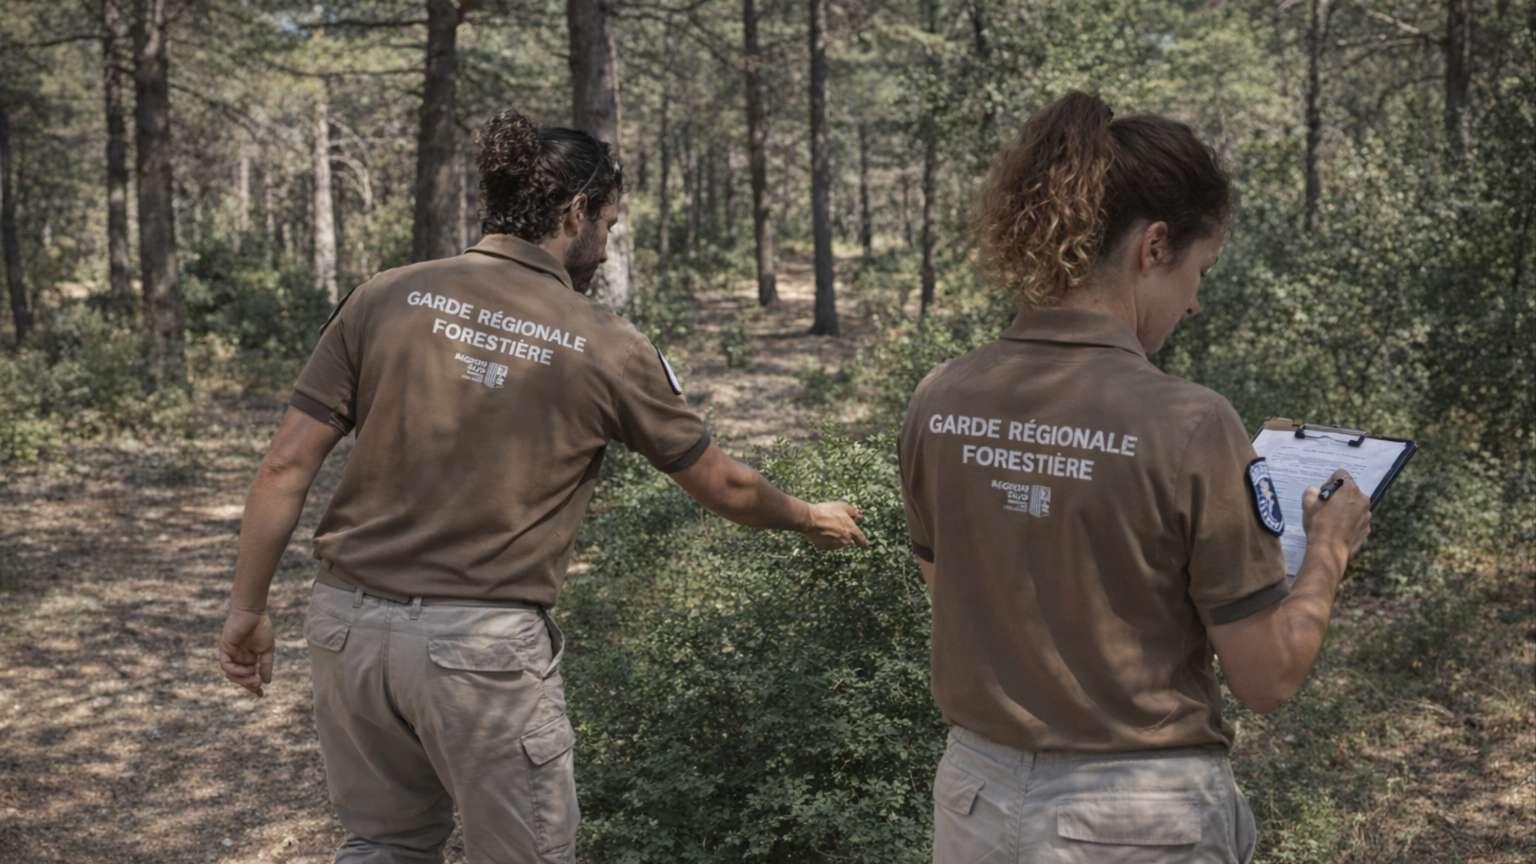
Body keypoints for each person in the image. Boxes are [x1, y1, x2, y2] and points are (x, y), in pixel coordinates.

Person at [216, 110, 868, 864]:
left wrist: (247, 609)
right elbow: (721, 484)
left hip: (345, 629)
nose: (606, 244)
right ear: (574, 212)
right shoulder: (605, 343)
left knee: (383, 845)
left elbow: (283, 467)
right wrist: (807, 515)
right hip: (481, 651)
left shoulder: (385, 296)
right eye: (608, 224)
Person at [897, 91, 1372, 863]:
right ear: (1154, 248)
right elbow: (1268, 676)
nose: (1193, 304)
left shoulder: (939, 398)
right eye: (1199, 271)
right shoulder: (1189, 423)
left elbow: (961, 597)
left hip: (975, 800)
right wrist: (1327, 552)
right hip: (1135, 820)